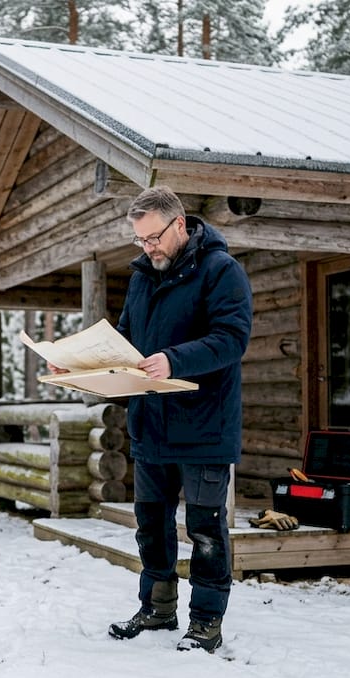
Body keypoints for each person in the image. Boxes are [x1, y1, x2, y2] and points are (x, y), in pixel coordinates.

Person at [107, 185, 252, 652]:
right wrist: (81, 365)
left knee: (206, 529)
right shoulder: (141, 278)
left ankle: (206, 620)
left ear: (180, 224)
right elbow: (128, 340)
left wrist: (173, 359)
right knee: (151, 524)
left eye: (153, 238)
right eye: (141, 241)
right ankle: (157, 608)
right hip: (151, 424)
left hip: (204, 426)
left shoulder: (221, 272)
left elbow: (232, 339)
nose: (148, 248)